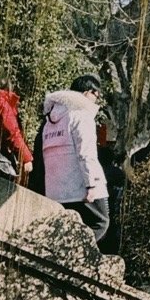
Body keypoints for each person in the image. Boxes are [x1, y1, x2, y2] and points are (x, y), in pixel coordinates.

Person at [40, 74, 109, 242]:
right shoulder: (81, 115)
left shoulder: (49, 121)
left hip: (57, 190)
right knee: (100, 222)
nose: (96, 100)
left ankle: (64, 254)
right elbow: (86, 153)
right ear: (87, 93)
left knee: (67, 227)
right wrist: (91, 184)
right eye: (96, 95)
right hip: (81, 186)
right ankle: (75, 257)